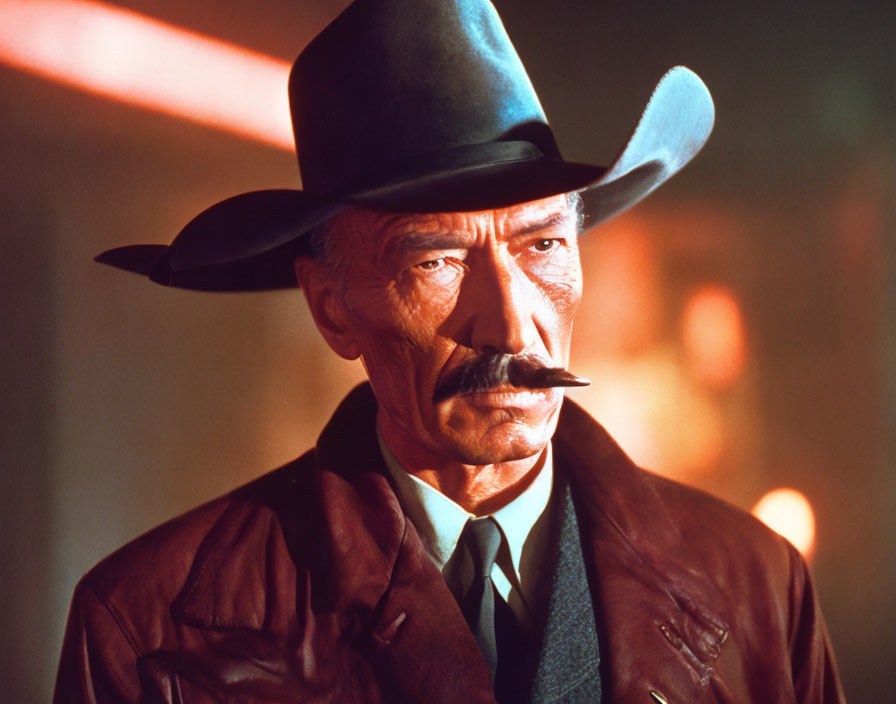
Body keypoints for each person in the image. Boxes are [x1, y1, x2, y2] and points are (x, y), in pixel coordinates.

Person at [54, 0, 845, 702]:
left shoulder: (759, 589)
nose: (507, 325)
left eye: (540, 245)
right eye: (436, 260)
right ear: (333, 310)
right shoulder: (150, 633)